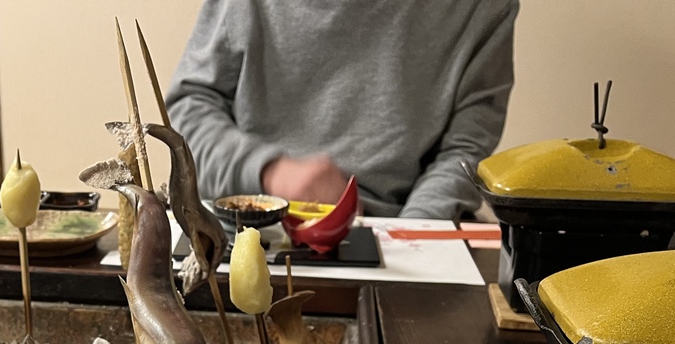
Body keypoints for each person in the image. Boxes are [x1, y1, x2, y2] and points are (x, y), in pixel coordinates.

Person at [166, 0, 518, 221]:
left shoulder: (486, 9)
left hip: (399, 228)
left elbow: (464, 150)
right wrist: (269, 171)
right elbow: (189, 109)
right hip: (249, 218)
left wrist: (412, 234)